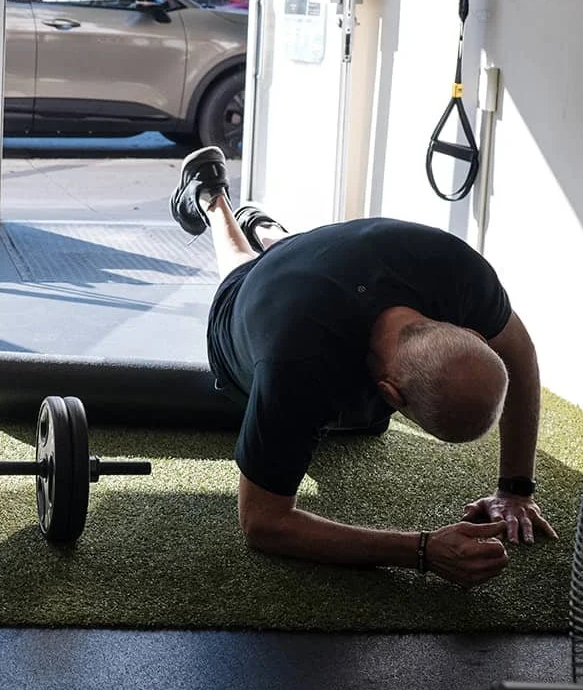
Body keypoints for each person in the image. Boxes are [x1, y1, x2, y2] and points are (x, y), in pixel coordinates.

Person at [168, 145, 557, 588]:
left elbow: (520, 354)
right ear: (388, 395)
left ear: (470, 331)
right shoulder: (296, 365)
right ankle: (213, 198)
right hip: (252, 296)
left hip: (324, 255)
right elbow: (263, 523)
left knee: (302, 258)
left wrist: (516, 489)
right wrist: (424, 550)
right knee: (241, 269)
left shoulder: (457, 271)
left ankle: (270, 230)